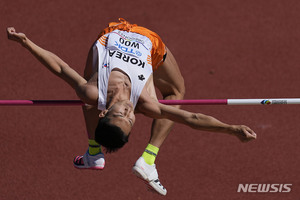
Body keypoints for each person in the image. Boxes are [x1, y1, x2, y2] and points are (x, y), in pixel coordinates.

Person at [7, 18, 256, 196]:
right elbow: (191, 117)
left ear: (107, 113)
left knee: (88, 97)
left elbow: (60, 68)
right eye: (130, 119)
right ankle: (148, 159)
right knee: (176, 93)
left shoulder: (93, 91)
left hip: (112, 34)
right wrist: (232, 129)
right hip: (149, 41)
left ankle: (94, 151)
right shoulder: (146, 104)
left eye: (120, 114)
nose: (128, 111)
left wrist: (26, 43)